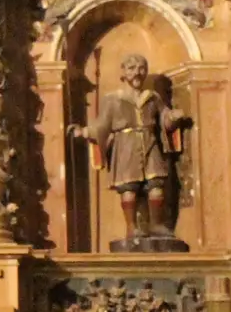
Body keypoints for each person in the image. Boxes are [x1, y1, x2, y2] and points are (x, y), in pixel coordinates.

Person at [70, 54, 191, 249]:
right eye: (132, 68)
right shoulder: (113, 99)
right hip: (125, 146)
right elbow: (102, 126)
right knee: (129, 188)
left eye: (142, 68)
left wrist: (173, 117)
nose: (137, 72)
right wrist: (83, 131)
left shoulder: (153, 98)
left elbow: (164, 118)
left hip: (149, 142)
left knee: (156, 185)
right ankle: (131, 226)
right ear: (123, 72)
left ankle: (156, 224)